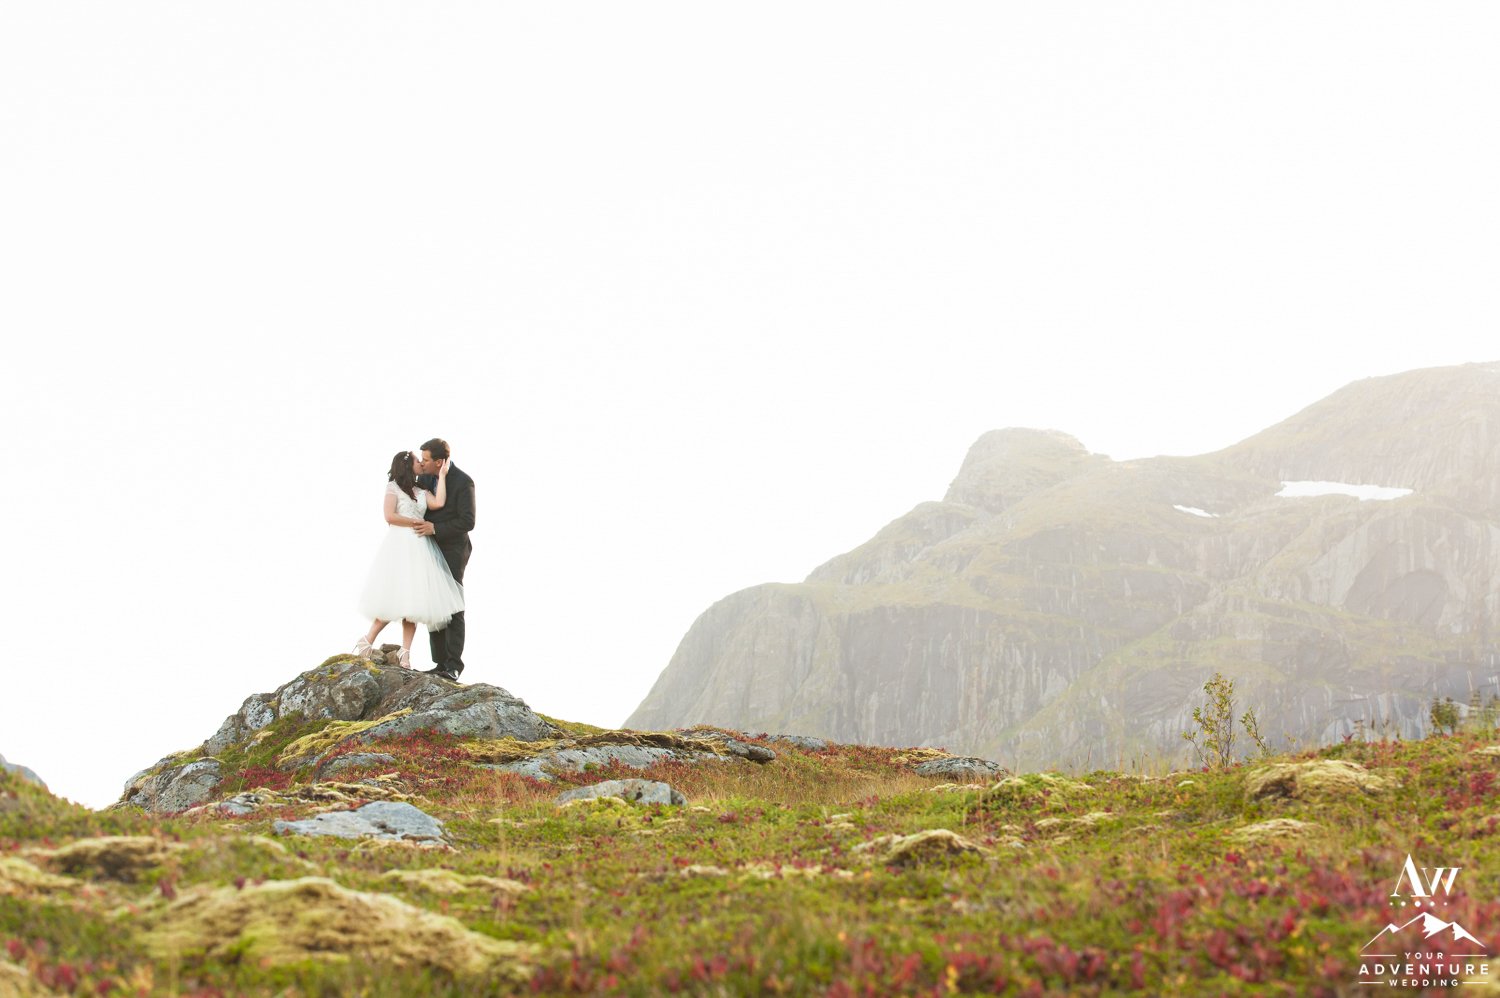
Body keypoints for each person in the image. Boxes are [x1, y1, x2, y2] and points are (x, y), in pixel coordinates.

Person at [352, 450, 465, 669]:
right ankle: (367, 640)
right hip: (400, 545)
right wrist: (415, 523)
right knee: (395, 596)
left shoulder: (420, 490)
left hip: (420, 547)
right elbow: (389, 516)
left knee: (415, 601)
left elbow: (439, 502)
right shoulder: (393, 487)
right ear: (407, 465)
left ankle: (405, 654)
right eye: (417, 460)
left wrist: (442, 475)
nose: (421, 464)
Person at [413, 437, 475, 681]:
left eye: (426, 460)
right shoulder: (425, 478)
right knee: (433, 603)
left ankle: (453, 665)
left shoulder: (463, 481)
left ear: (440, 461)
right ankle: (439, 663)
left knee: (453, 606)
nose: (422, 463)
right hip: (428, 549)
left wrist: (434, 528)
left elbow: (467, 521)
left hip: (453, 550)